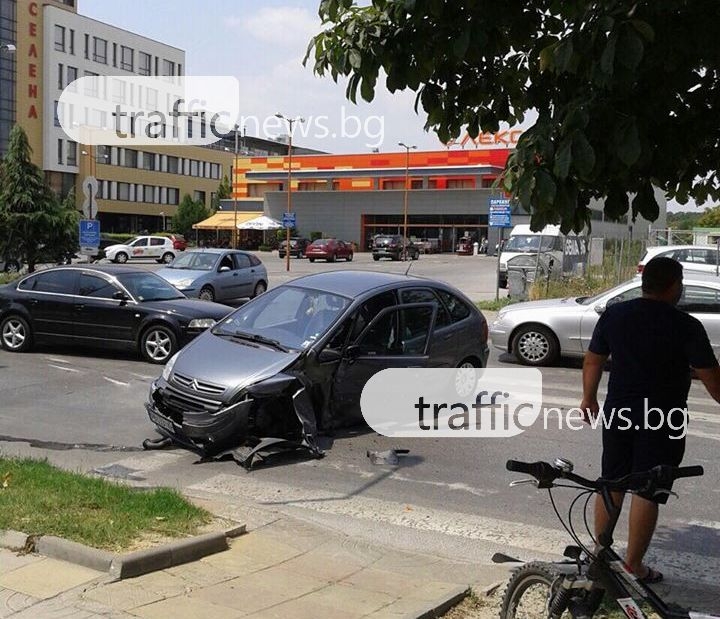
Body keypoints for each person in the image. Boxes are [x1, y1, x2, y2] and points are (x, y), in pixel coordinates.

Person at [580, 256, 720, 583]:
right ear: (674, 286)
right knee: (647, 489)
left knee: (611, 480)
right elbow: (714, 382)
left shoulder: (615, 315)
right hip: (663, 418)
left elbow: (592, 360)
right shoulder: (686, 326)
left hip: (619, 412)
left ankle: (600, 557)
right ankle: (633, 566)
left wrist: (588, 398)